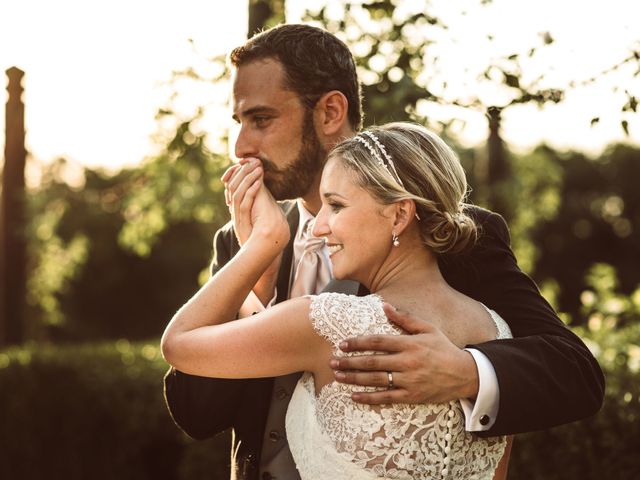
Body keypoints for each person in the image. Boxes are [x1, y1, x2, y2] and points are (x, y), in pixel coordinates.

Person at [163, 24, 604, 480]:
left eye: (261, 119)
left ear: (331, 111)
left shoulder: (453, 231)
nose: (241, 148)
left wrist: (466, 371)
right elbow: (198, 416)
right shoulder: (240, 240)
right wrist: (255, 275)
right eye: (238, 124)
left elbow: (574, 373)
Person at [163, 121, 515, 479]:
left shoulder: (329, 323)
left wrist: (262, 242)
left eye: (336, 205)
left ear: (399, 215)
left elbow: (178, 344)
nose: (319, 227)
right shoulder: (497, 334)